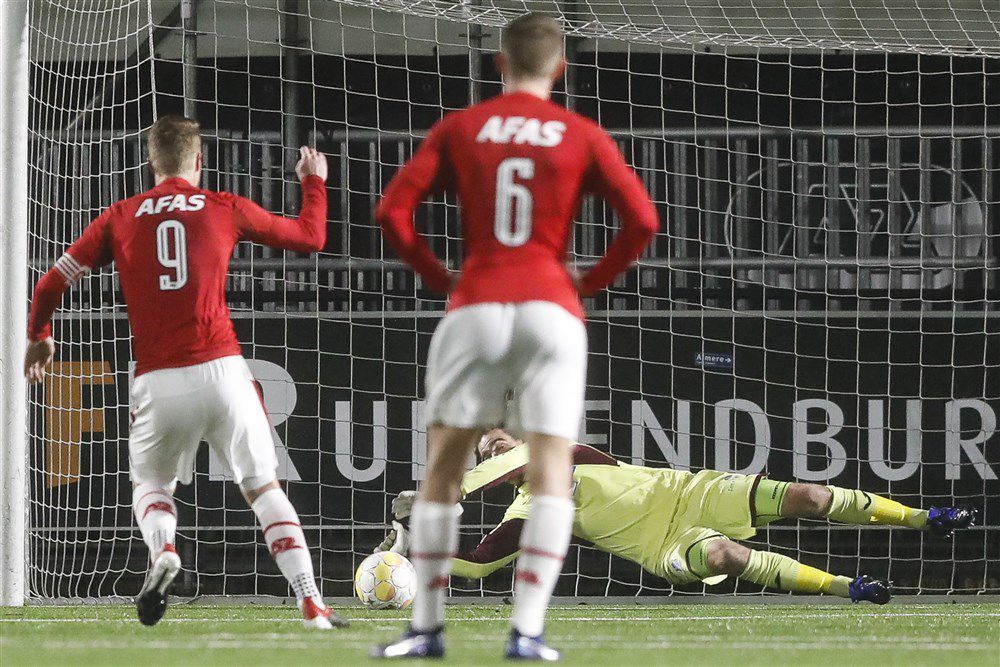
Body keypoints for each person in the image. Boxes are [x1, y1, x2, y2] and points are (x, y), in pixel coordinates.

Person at [372, 12, 658, 661]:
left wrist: (440, 275)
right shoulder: (580, 132)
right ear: (558, 67)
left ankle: (427, 630)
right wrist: (587, 283)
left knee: (444, 469)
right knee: (552, 471)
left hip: (476, 302)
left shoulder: (462, 127)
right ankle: (526, 633)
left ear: (499, 65)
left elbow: (390, 211)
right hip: (552, 308)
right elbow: (642, 219)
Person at [24, 115, 347, 630]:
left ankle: (165, 552)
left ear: (151, 162)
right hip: (222, 370)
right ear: (199, 161)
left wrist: (40, 338)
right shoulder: (223, 205)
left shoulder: (120, 215)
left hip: (158, 379)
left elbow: (49, 285)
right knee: (263, 487)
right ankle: (311, 603)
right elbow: (310, 238)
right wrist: (313, 182)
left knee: (151, 485)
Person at [379, 429, 977, 604]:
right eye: (490, 450)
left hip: (692, 490)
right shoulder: (533, 512)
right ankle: (849, 588)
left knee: (811, 496)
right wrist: (418, 543)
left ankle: (927, 517)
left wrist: (464, 479)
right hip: (668, 545)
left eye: (502, 440)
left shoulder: (567, 455)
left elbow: (540, 458)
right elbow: (482, 565)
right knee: (726, 557)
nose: (499, 448)